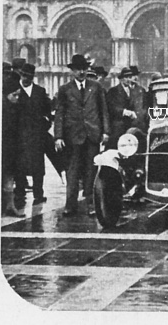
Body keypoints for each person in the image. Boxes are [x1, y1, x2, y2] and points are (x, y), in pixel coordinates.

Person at [54, 54, 110, 216]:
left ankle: (91, 204)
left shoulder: (96, 87)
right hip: (73, 136)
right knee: (72, 171)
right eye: (78, 69)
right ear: (72, 71)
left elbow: (103, 110)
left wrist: (105, 131)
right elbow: (60, 114)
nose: (81, 72)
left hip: (92, 135)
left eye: (84, 69)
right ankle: (70, 205)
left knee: (91, 171)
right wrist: (58, 136)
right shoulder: (65, 89)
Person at [13, 64, 52, 208]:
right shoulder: (15, 91)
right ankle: (19, 193)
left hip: (37, 135)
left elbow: (47, 112)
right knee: (20, 165)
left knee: (38, 166)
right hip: (20, 136)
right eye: (23, 75)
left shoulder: (40, 91)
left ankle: (38, 194)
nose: (25, 78)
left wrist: (44, 125)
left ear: (32, 77)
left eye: (28, 76)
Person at [2, 75, 24, 217]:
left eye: (18, 95)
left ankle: (10, 205)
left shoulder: (17, 108)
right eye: (14, 95)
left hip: (12, 148)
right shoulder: (1, 108)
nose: (17, 98)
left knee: (10, 177)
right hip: (3, 147)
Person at [107, 67, 137, 149]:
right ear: (121, 79)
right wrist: (124, 112)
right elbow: (111, 108)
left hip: (130, 127)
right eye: (126, 77)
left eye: (130, 77)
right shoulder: (113, 91)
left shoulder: (133, 91)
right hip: (118, 126)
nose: (128, 79)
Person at [129, 65, 148, 131]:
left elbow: (145, 105)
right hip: (129, 124)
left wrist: (143, 114)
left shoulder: (141, 90)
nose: (135, 77)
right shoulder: (125, 90)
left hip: (141, 124)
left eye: (136, 75)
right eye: (133, 75)